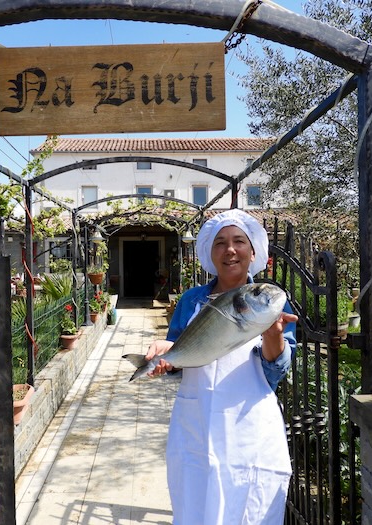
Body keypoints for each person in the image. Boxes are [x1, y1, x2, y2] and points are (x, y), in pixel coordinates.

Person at [146, 209, 298, 525]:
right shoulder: (191, 300)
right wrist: (166, 358)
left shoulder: (269, 302)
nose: (230, 250)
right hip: (196, 424)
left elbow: (275, 374)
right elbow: (180, 354)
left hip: (250, 426)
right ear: (209, 253)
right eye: (220, 243)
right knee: (197, 504)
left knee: (249, 508)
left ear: (253, 250)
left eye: (239, 241)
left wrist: (273, 336)